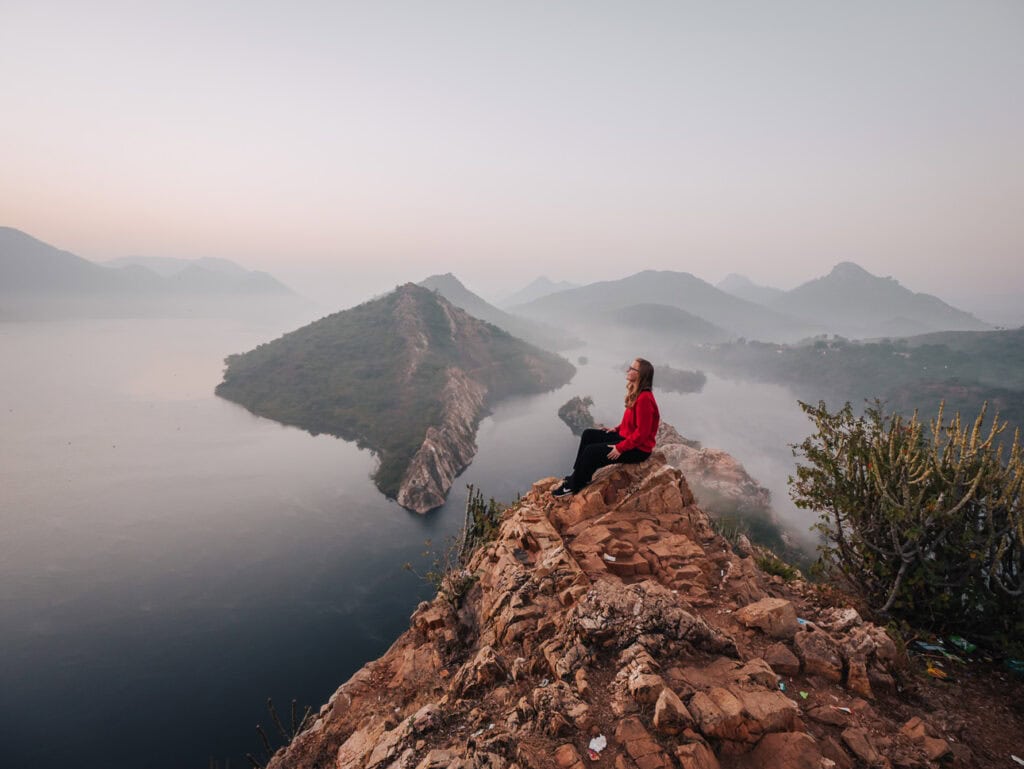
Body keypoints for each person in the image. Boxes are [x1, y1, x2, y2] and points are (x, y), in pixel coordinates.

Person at [553, 357, 660, 498]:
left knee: (591, 452)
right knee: (588, 434)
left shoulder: (645, 398)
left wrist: (620, 448)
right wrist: (616, 429)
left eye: (632, 369)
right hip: (626, 437)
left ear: (640, 374)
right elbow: (632, 422)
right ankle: (578, 475)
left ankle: (574, 486)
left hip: (638, 449)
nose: (628, 370)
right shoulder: (638, 394)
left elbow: (642, 432)